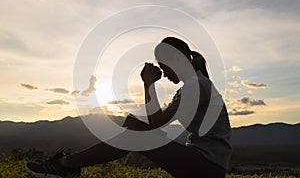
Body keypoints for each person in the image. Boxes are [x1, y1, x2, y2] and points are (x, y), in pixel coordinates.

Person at [26, 37, 232, 178]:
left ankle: (65, 165)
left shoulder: (197, 85)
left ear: (177, 59)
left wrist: (148, 84)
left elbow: (156, 122)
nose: (164, 73)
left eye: (163, 66)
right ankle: (67, 164)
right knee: (133, 126)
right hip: (204, 163)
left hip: (207, 166)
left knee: (134, 133)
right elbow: (156, 124)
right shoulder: (194, 85)